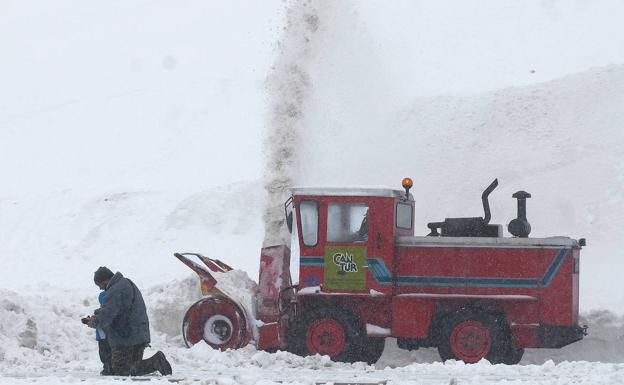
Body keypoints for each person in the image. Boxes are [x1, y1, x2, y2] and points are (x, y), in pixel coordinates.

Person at [84, 266, 172, 376]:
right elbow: (117, 309)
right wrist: (98, 314)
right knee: (131, 368)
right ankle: (156, 361)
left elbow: (107, 315)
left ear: (105, 280)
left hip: (127, 337)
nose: (100, 289)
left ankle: (156, 362)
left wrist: (93, 322)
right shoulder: (124, 283)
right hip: (136, 334)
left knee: (121, 371)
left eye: (100, 285)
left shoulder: (115, 289)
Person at [96, 290, 112, 375]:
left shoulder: (102, 312)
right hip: (103, 337)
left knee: (105, 354)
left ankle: (108, 368)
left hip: (105, 338)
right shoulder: (100, 312)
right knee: (104, 354)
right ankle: (107, 367)